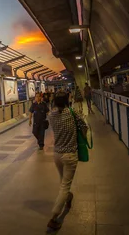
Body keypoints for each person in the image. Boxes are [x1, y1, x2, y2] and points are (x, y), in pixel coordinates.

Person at [47, 93, 88, 230]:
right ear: (66, 101)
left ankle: (68, 196)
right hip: (70, 154)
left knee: (63, 181)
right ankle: (54, 217)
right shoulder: (72, 113)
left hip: (57, 154)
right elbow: (84, 126)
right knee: (65, 185)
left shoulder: (51, 115)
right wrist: (82, 137)